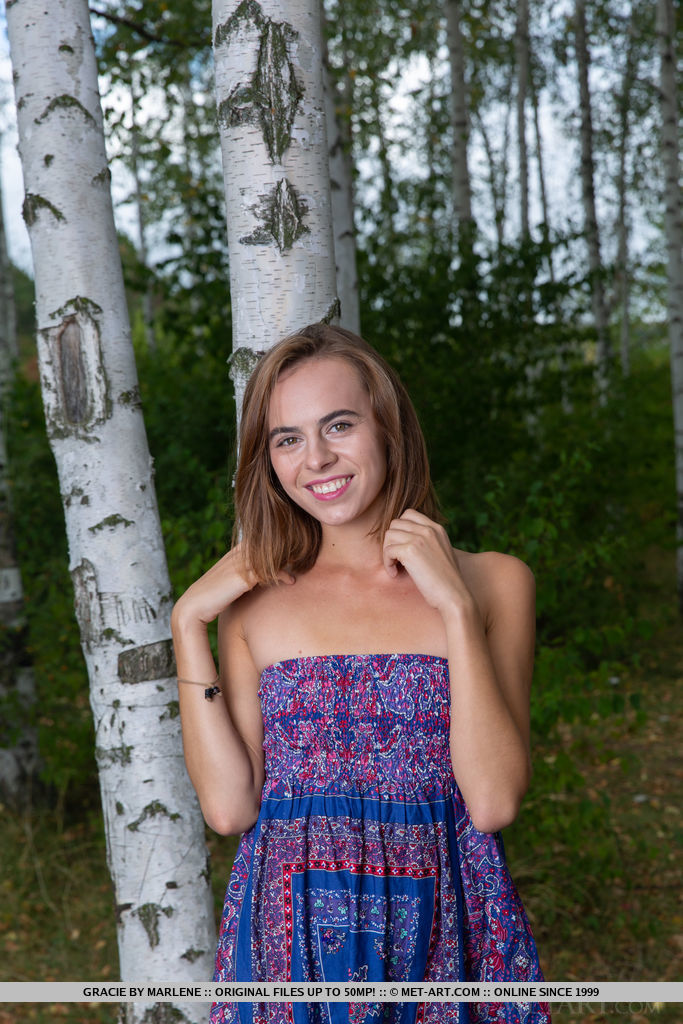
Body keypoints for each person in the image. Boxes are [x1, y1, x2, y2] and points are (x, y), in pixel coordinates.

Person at [171, 324, 550, 1024]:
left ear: (387, 428)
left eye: (338, 425)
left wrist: (454, 609)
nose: (316, 458)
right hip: (291, 941)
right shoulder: (253, 604)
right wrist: (187, 622)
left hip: (447, 929)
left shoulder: (495, 583)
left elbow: (493, 802)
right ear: (268, 461)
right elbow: (228, 810)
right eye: (287, 439)